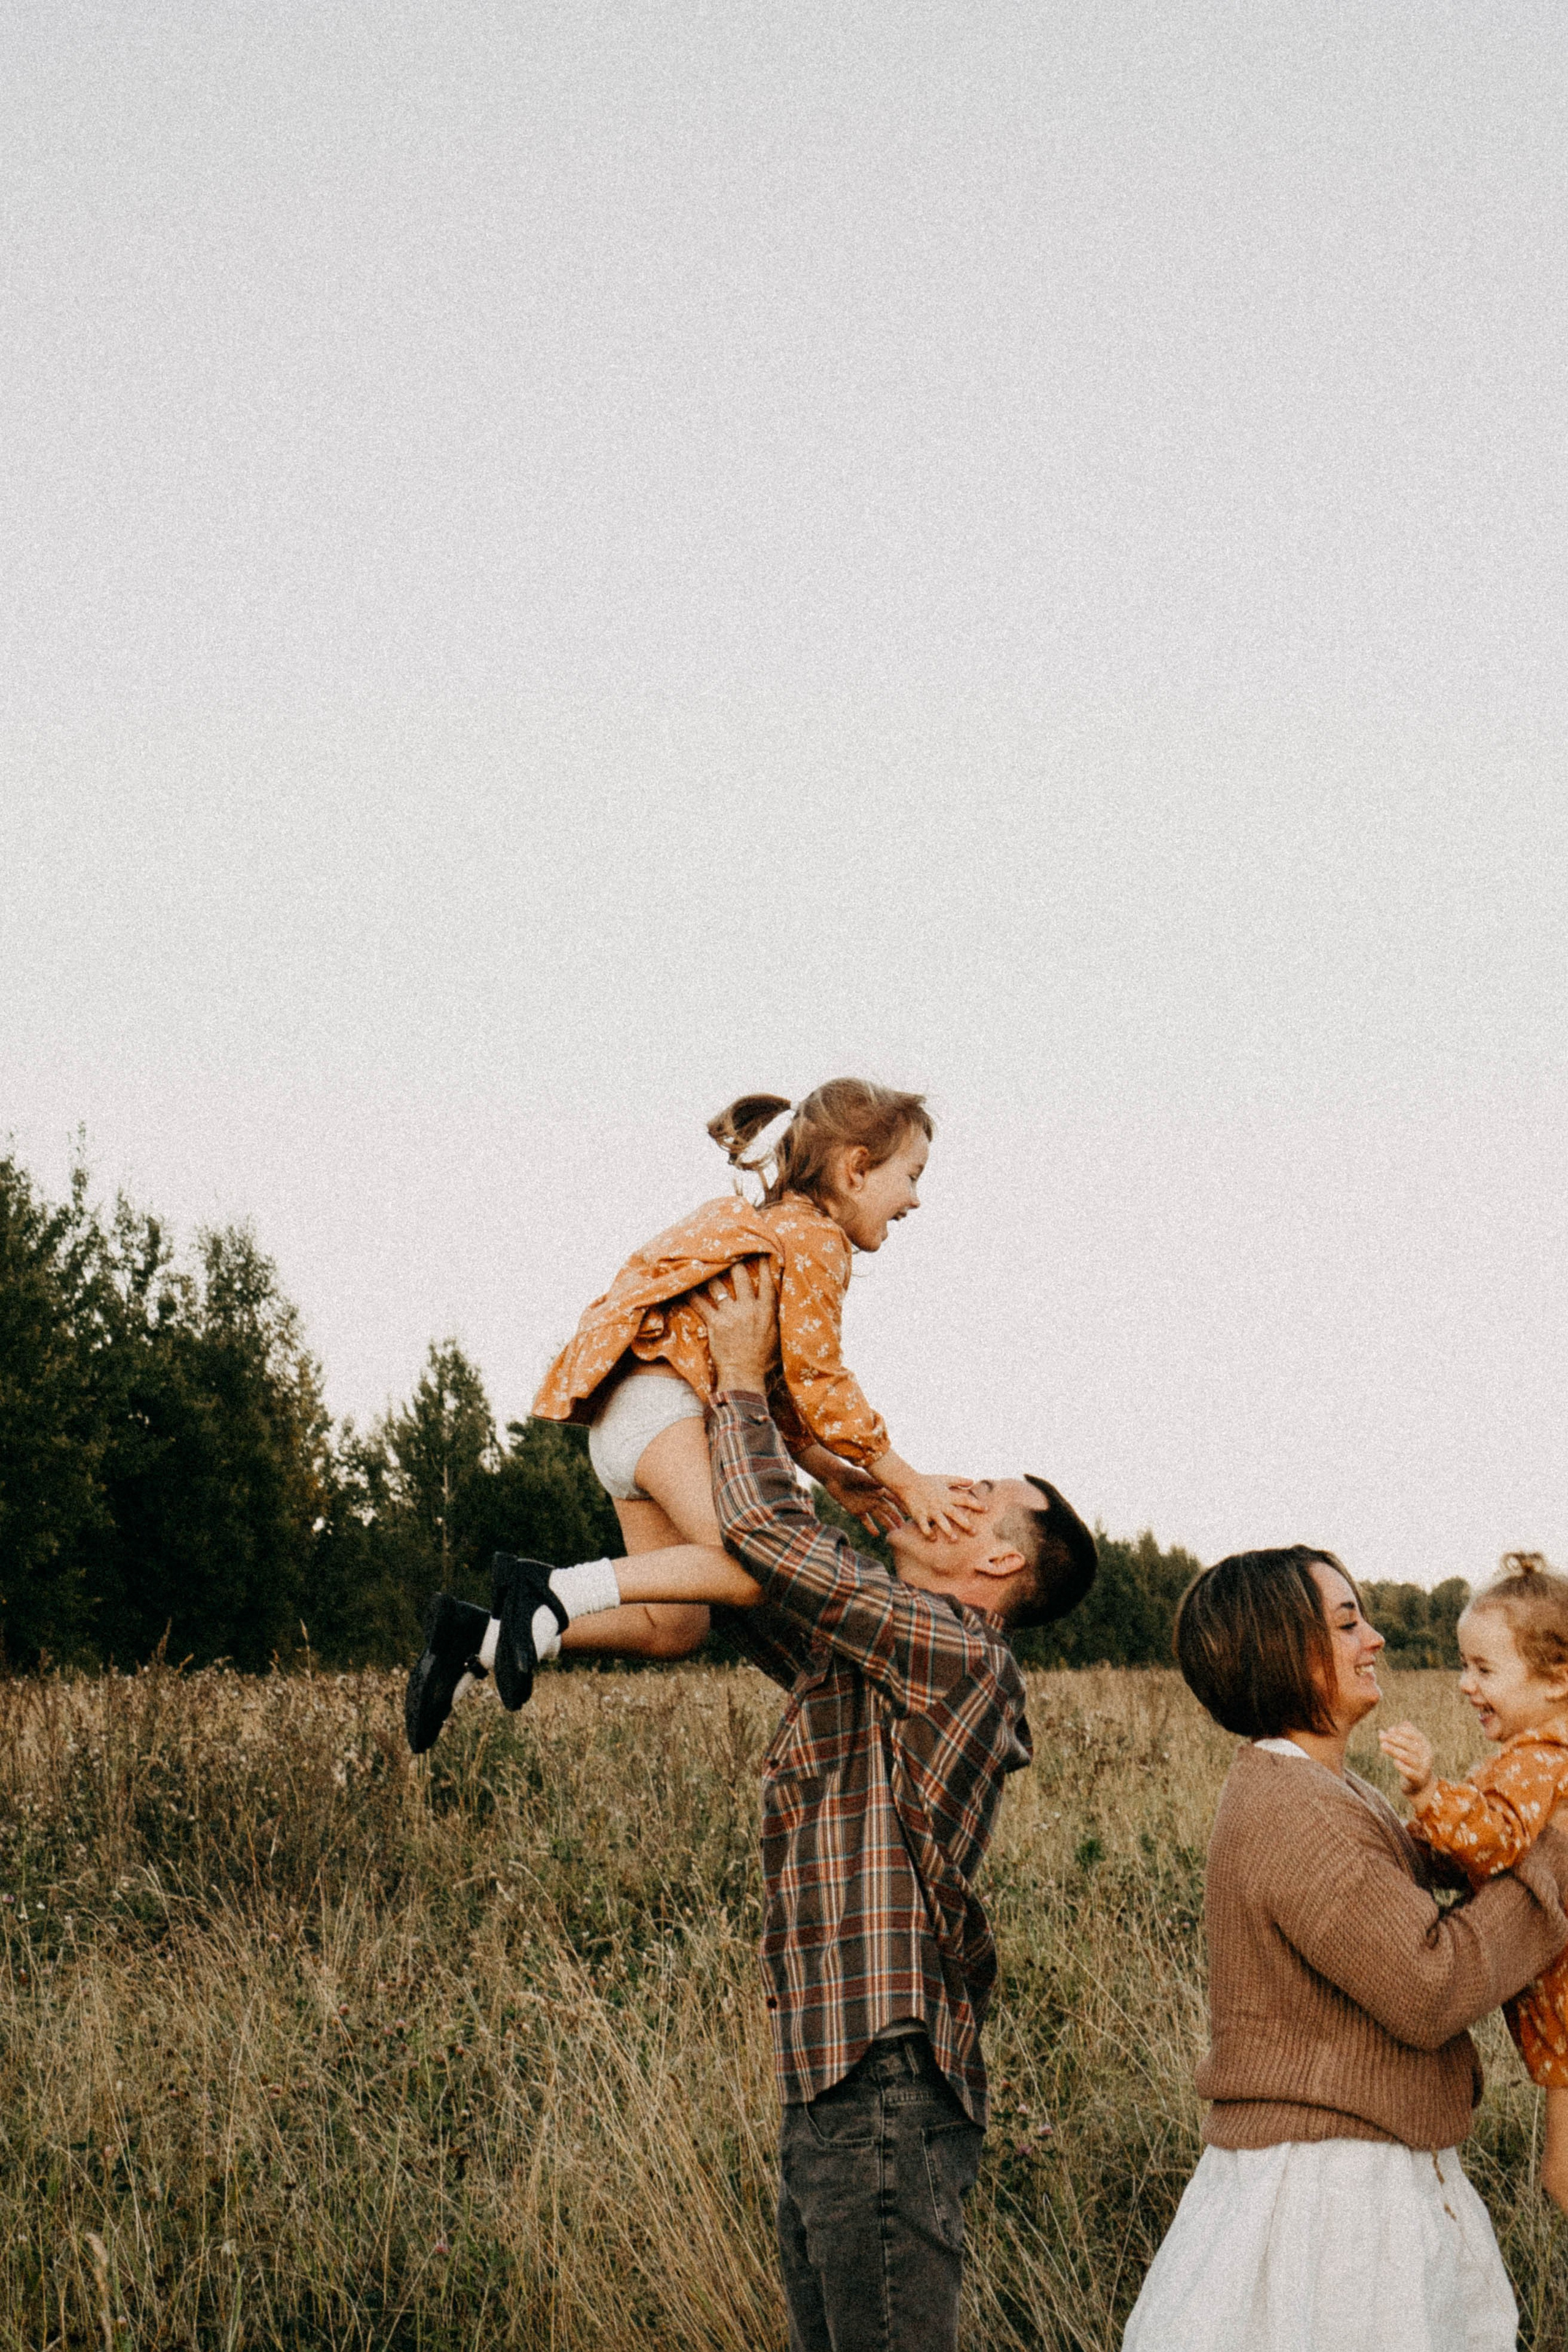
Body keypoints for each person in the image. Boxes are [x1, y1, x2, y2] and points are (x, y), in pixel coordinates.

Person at [413, 1260, 1098, 2352]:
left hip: (883, 2076)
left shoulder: (962, 1653)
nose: (941, 1490)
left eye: (972, 1495)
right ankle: (495, 1632)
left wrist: (736, 1381)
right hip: (833, 2082)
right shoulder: (873, 1656)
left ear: (1003, 1557)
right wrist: (688, 1433)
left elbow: (777, 1547)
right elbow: (740, 1580)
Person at [406, 1079, 982, 1750]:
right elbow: (821, 1379)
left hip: (627, 1422)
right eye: (910, 1176)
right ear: (856, 1168)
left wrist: (828, 1469)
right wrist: (903, 1477)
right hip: (666, 1408)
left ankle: (475, 1636)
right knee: (756, 1563)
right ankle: (547, 1588)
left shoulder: (777, 1229)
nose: (915, 1198)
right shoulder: (818, 1239)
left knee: (672, 1627)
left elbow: (782, 1389)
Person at [1121, 1546, 1568, 2352]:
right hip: (1329, 2216)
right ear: (1285, 1650)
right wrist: (1558, 1863)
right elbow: (1432, 1985)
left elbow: (1449, 1871)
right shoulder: (1296, 1808)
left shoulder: (1327, 1789)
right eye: (1347, 1621)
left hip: (1358, 2181)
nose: (1377, 1638)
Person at [1381, 1553, 1568, 2214]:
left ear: (1557, 1680)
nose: (1465, 1684)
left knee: (1561, 2177)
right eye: (1465, 1666)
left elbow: (1494, 1841)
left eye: (1485, 1669)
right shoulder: (1531, 1756)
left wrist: (1430, 1792)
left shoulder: (1540, 1759)